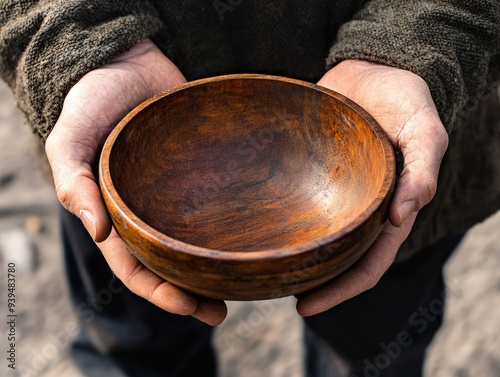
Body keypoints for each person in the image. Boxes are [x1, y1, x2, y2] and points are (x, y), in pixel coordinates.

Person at [1, 1, 499, 376]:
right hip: (123, 163)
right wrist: (77, 45)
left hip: (385, 152)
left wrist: (412, 49)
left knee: (370, 356)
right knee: (134, 353)